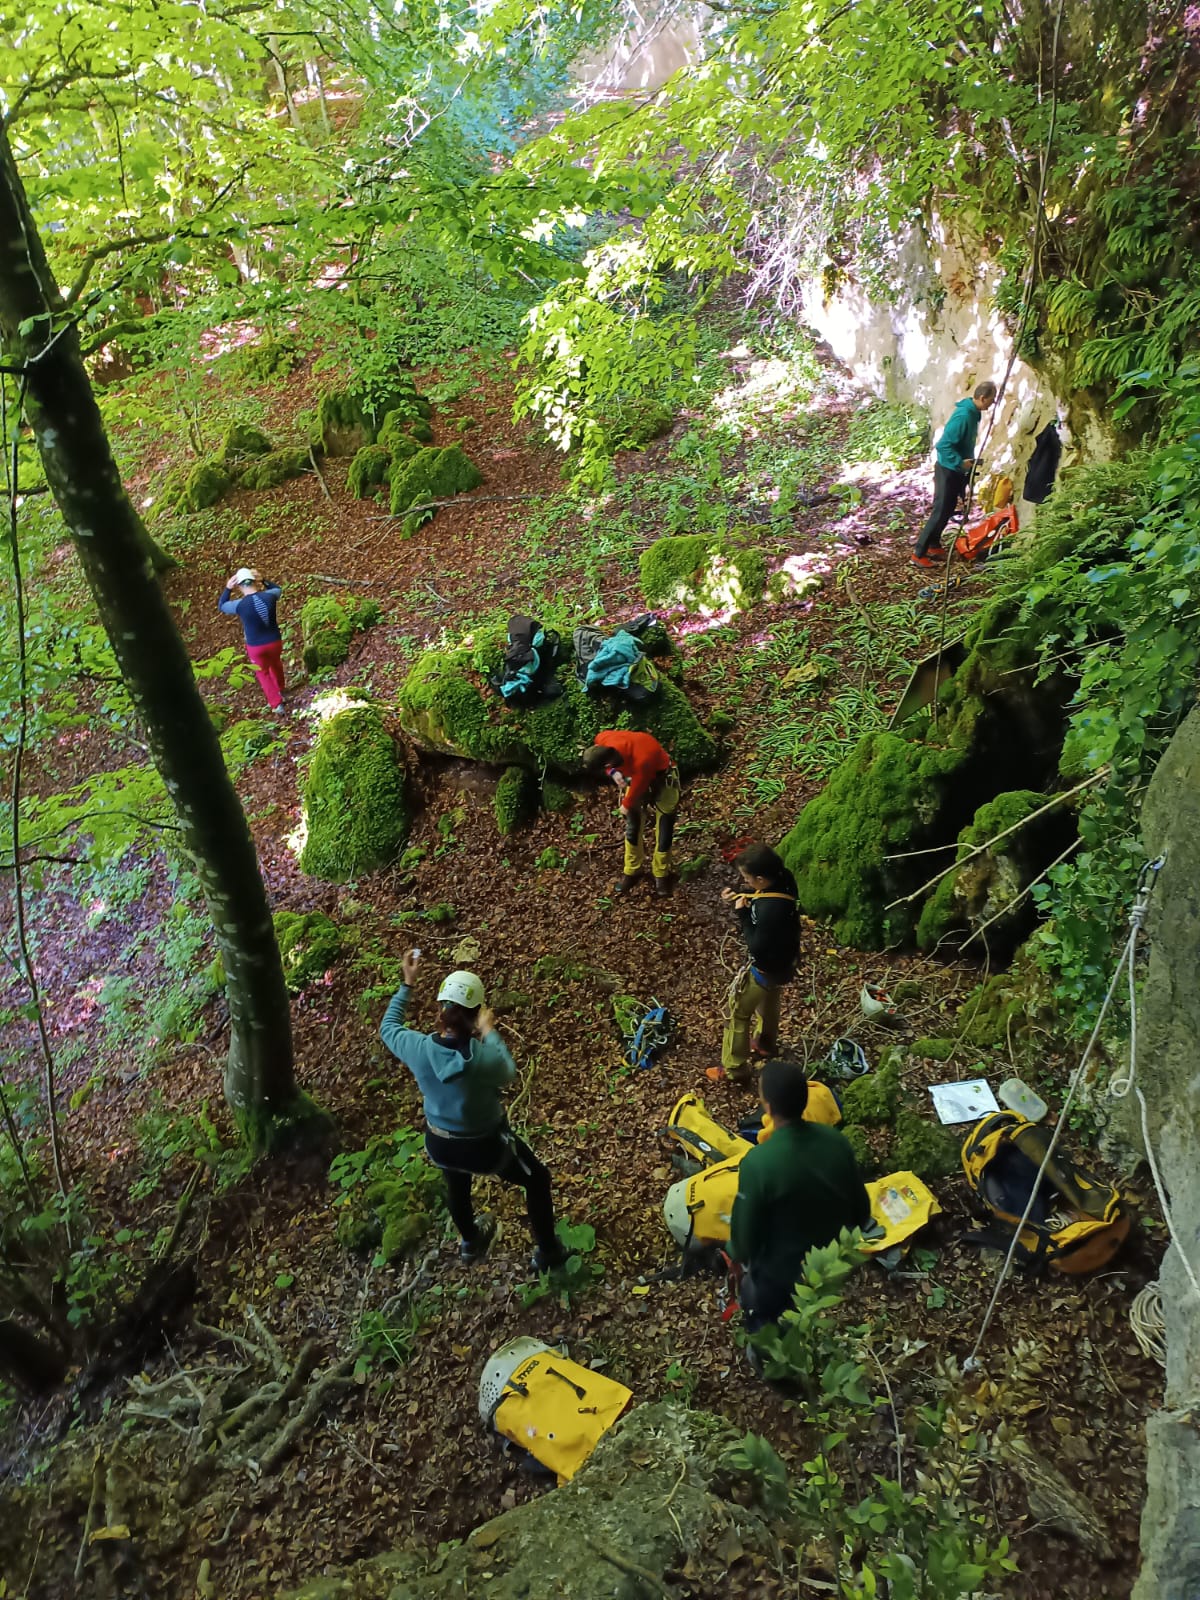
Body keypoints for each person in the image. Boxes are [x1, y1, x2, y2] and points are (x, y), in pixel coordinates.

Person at [379, 951, 566, 1271]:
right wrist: (489, 1031)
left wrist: (407, 984)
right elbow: (508, 1070)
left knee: (456, 1182)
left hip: (440, 1143)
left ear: (440, 1010)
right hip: (486, 1147)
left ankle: (470, 1241)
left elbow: (388, 1027)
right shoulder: (481, 1058)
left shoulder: (418, 1048)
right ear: (476, 1014)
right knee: (537, 1180)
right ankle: (549, 1252)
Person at [729, 1061, 871, 1332]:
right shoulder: (836, 1141)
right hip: (833, 1264)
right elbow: (862, 1210)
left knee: (755, 1300)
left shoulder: (758, 1163)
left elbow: (743, 1244)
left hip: (782, 1275)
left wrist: (733, 1253)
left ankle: (766, 1344)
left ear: (768, 1106)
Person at [707, 844, 800, 1084]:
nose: (744, 881)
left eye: (747, 878)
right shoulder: (783, 880)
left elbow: (756, 946)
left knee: (737, 1012)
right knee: (769, 1000)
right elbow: (762, 895)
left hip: (765, 966)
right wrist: (742, 894)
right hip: (784, 964)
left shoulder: (770, 910)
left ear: (760, 878)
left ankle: (734, 1068)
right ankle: (766, 1043)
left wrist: (744, 915)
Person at [582, 729, 680, 897]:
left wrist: (626, 805)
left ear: (607, 761)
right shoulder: (603, 738)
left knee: (665, 827)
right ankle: (633, 869)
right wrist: (614, 772)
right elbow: (610, 767)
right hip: (635, 778)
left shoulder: (642, 760)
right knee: (633, 826)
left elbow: (639, 784)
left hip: (662, 778)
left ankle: (661, 873)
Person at [913, 381, 998, 568]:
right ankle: (919, 553)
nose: (993, 404)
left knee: (948, 508)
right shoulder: (964, 416)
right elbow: (943, 445)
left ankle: (934, 545)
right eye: (991, 400)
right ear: (982, 398)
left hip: (956, 469)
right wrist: (959, 462)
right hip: (947, 469)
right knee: (940, 511)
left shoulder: (973, 413)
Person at [219, 566, 285, 710]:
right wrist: (264, 580)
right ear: (254, 581)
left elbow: (222, 605)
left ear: (239, 586)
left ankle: (277, 704)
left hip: (256, 646)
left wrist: (228, 588)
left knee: (262, 673)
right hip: (275, 641)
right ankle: (281, 689)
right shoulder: (270, 596)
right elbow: (278, 590)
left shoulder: (239, 605)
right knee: (276, 663)